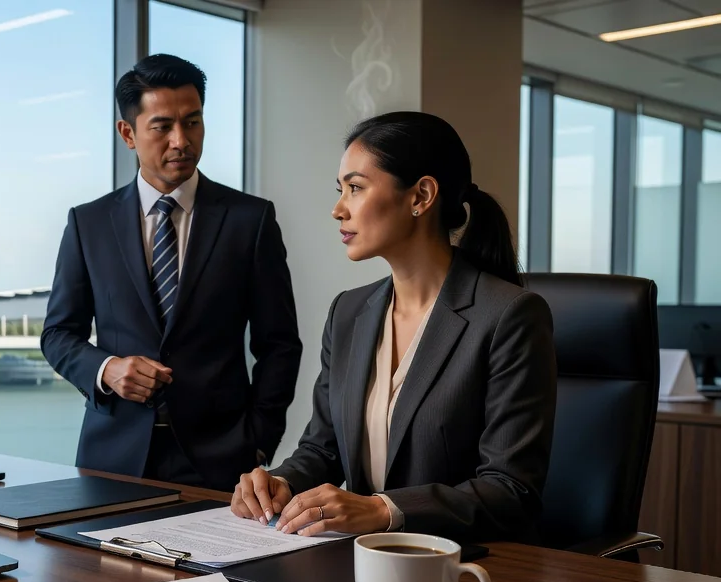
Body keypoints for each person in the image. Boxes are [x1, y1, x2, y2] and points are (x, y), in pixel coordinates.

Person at [230, 111, 556, 542]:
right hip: (360, 566)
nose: (337, 208)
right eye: (340, 190)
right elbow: (321, 448)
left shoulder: (510, 316)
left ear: (421, 195)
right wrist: (280, 483)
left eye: (356, 188)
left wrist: (382, 510)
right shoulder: (348, 312)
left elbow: (510, 490)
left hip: (464, 570)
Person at [41, 54, 302, 491]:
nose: (181, 140)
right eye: (162, 126)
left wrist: (259, 443)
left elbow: (279, 344)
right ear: (129, 133)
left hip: (222, 461)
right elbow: (57, 334)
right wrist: (106, 369)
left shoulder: (249, 220)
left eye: (193, 122)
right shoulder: (88, 223)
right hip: (112, 457)